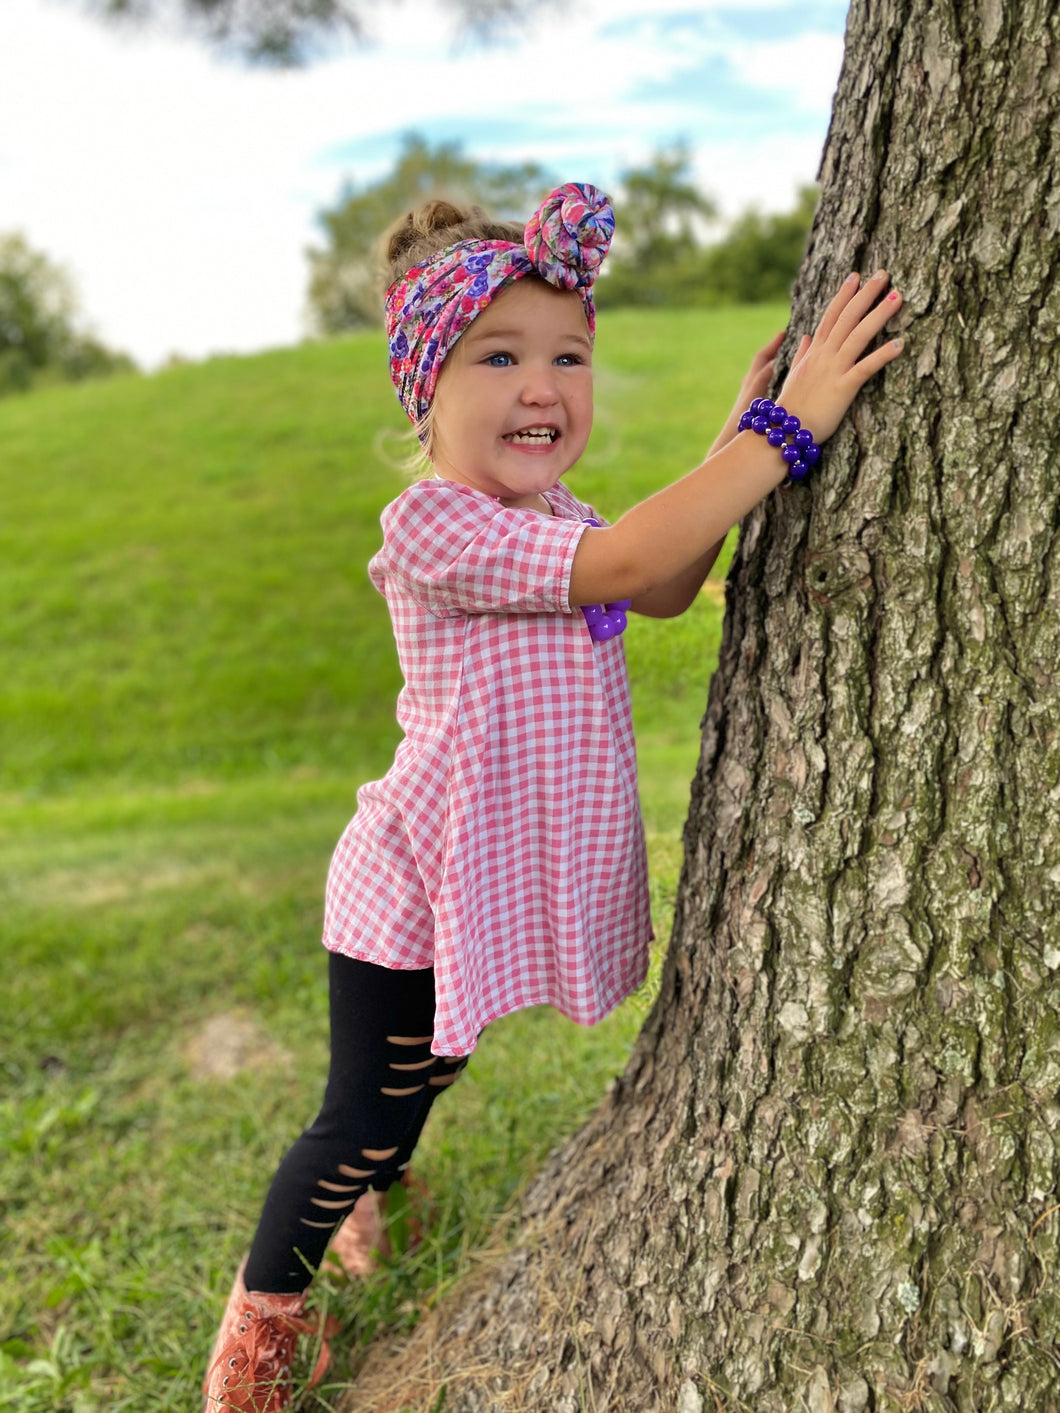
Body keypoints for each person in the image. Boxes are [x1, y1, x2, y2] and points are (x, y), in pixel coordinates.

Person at [201, 182, 905, 1411]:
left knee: (429, 1073)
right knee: (361, 1114)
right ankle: (259, 1332)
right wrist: (787, 430)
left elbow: (660, 586)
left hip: (483, 871)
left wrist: (728, 450)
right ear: (425, 389)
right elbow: (632, 561)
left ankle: (383, 1181)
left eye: (569, 354)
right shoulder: (437, 524)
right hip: (407, 891)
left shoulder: (560, 516)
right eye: (502, 356)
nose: (545, 385)